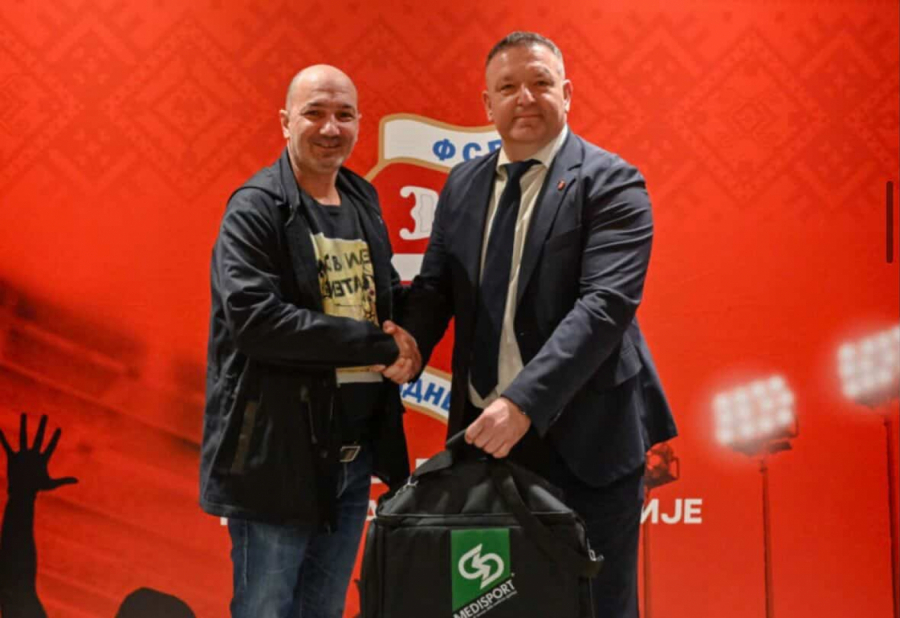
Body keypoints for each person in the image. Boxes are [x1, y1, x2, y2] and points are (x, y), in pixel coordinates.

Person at [400, 32, 677, 617]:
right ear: (488, 105)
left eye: (540, 83)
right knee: (494, 608)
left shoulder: (612, 182)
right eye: (507, 87)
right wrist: (408, 344)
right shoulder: (462, 184)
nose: (524, 98)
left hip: (588, 444)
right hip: (489, 444)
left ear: (567, 93)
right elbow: (436, 289)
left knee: (594, 606)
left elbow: (604, 307)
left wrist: (523, 402)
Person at [199, 65, 418, 618]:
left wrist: (409, 336)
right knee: (265, 610)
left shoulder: (362, 197)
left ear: (359, 123)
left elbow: (380, 295)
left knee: (324, 610)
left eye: (344, 115)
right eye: (314, 113)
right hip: (279, 461)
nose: (330, 128)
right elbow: (257, 320)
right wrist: (377, 347)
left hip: (352, 457)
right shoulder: (255, 208)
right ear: (285, 122)